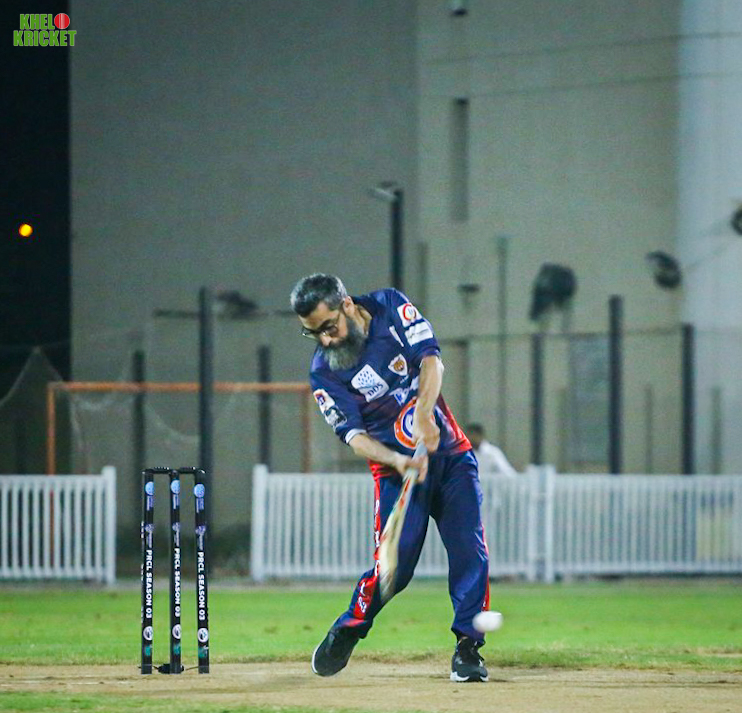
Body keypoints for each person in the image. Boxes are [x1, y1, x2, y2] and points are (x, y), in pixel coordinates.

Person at [290, 274, 490, 683]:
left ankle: (468, 648)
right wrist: (398, 461)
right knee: (393, 571)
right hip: (396, 474)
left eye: (329, 327)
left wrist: (424, 414)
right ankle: (349, 628)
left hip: (451, 455)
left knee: (469, 551)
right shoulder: (324, 371)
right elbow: (355, 437)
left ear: (347, 305)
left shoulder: (390, 307)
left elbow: (431, 360)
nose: (325, 340)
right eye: (313, 333)